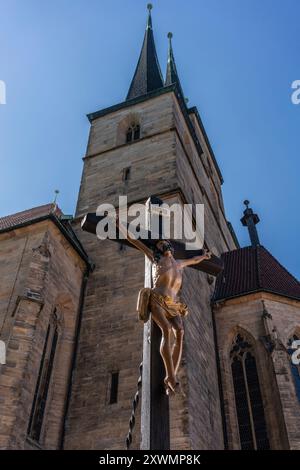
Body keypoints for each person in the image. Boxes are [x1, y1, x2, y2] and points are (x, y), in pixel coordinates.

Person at [116, 214, 211, 395]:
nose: (165, 244)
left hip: (173, 304)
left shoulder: (179, 263)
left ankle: (171, 374)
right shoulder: (155, 258)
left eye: (166, 242)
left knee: (180, 332)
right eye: (161, 243)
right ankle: (171, 377)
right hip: (157, 299)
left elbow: (195, 260)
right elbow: (133, 239)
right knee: (166, 330)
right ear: (158, 248)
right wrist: (119, 224)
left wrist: (204, 256)